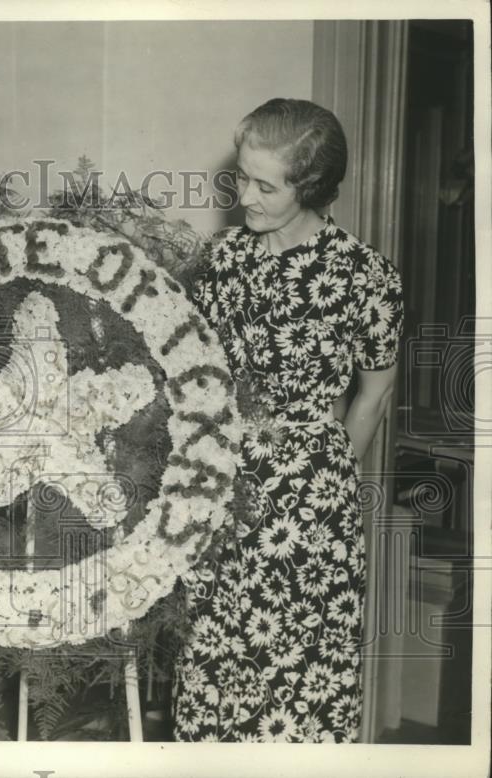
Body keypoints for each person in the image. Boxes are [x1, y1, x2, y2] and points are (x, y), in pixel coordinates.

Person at [172, 98, 404, 742]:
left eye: (264, 184)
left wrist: (324, 474)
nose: (245, 194)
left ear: (314, 187)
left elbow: (375, 393)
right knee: (212, 664)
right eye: (241, 176)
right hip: (218, 489)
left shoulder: (365, 275)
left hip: (311, 504)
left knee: (301, 678)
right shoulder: (218, 261)